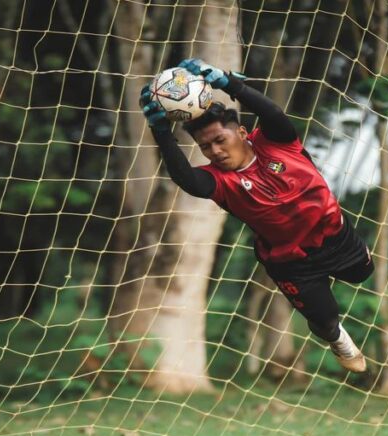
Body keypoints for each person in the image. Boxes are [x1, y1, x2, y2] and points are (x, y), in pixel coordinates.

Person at [139, 58, 373, 373]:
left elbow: (273, 113)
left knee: (361, 274)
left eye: (220, 140)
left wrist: (230, 84)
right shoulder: (220, 181)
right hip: (291, 261)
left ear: (244, 133)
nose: (215, 151)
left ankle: (346, 283)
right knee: (325, 318)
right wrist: (161, 133)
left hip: (335, 238)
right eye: (206, 147)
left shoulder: (276, 144)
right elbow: (188, 180)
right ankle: (338, 339)